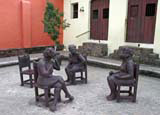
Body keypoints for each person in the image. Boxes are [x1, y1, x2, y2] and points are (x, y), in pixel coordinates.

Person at [37, 48, 74, 112]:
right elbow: (44, 74)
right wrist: (50, 66)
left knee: (59, 85)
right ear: (48, 55)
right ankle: (67, 94)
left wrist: (55, 60)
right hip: (42, 80)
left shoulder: (50, 60)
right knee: (60, 78)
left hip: (49, 79)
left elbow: (58, 68)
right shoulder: (41, 62)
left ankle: (54, 104)